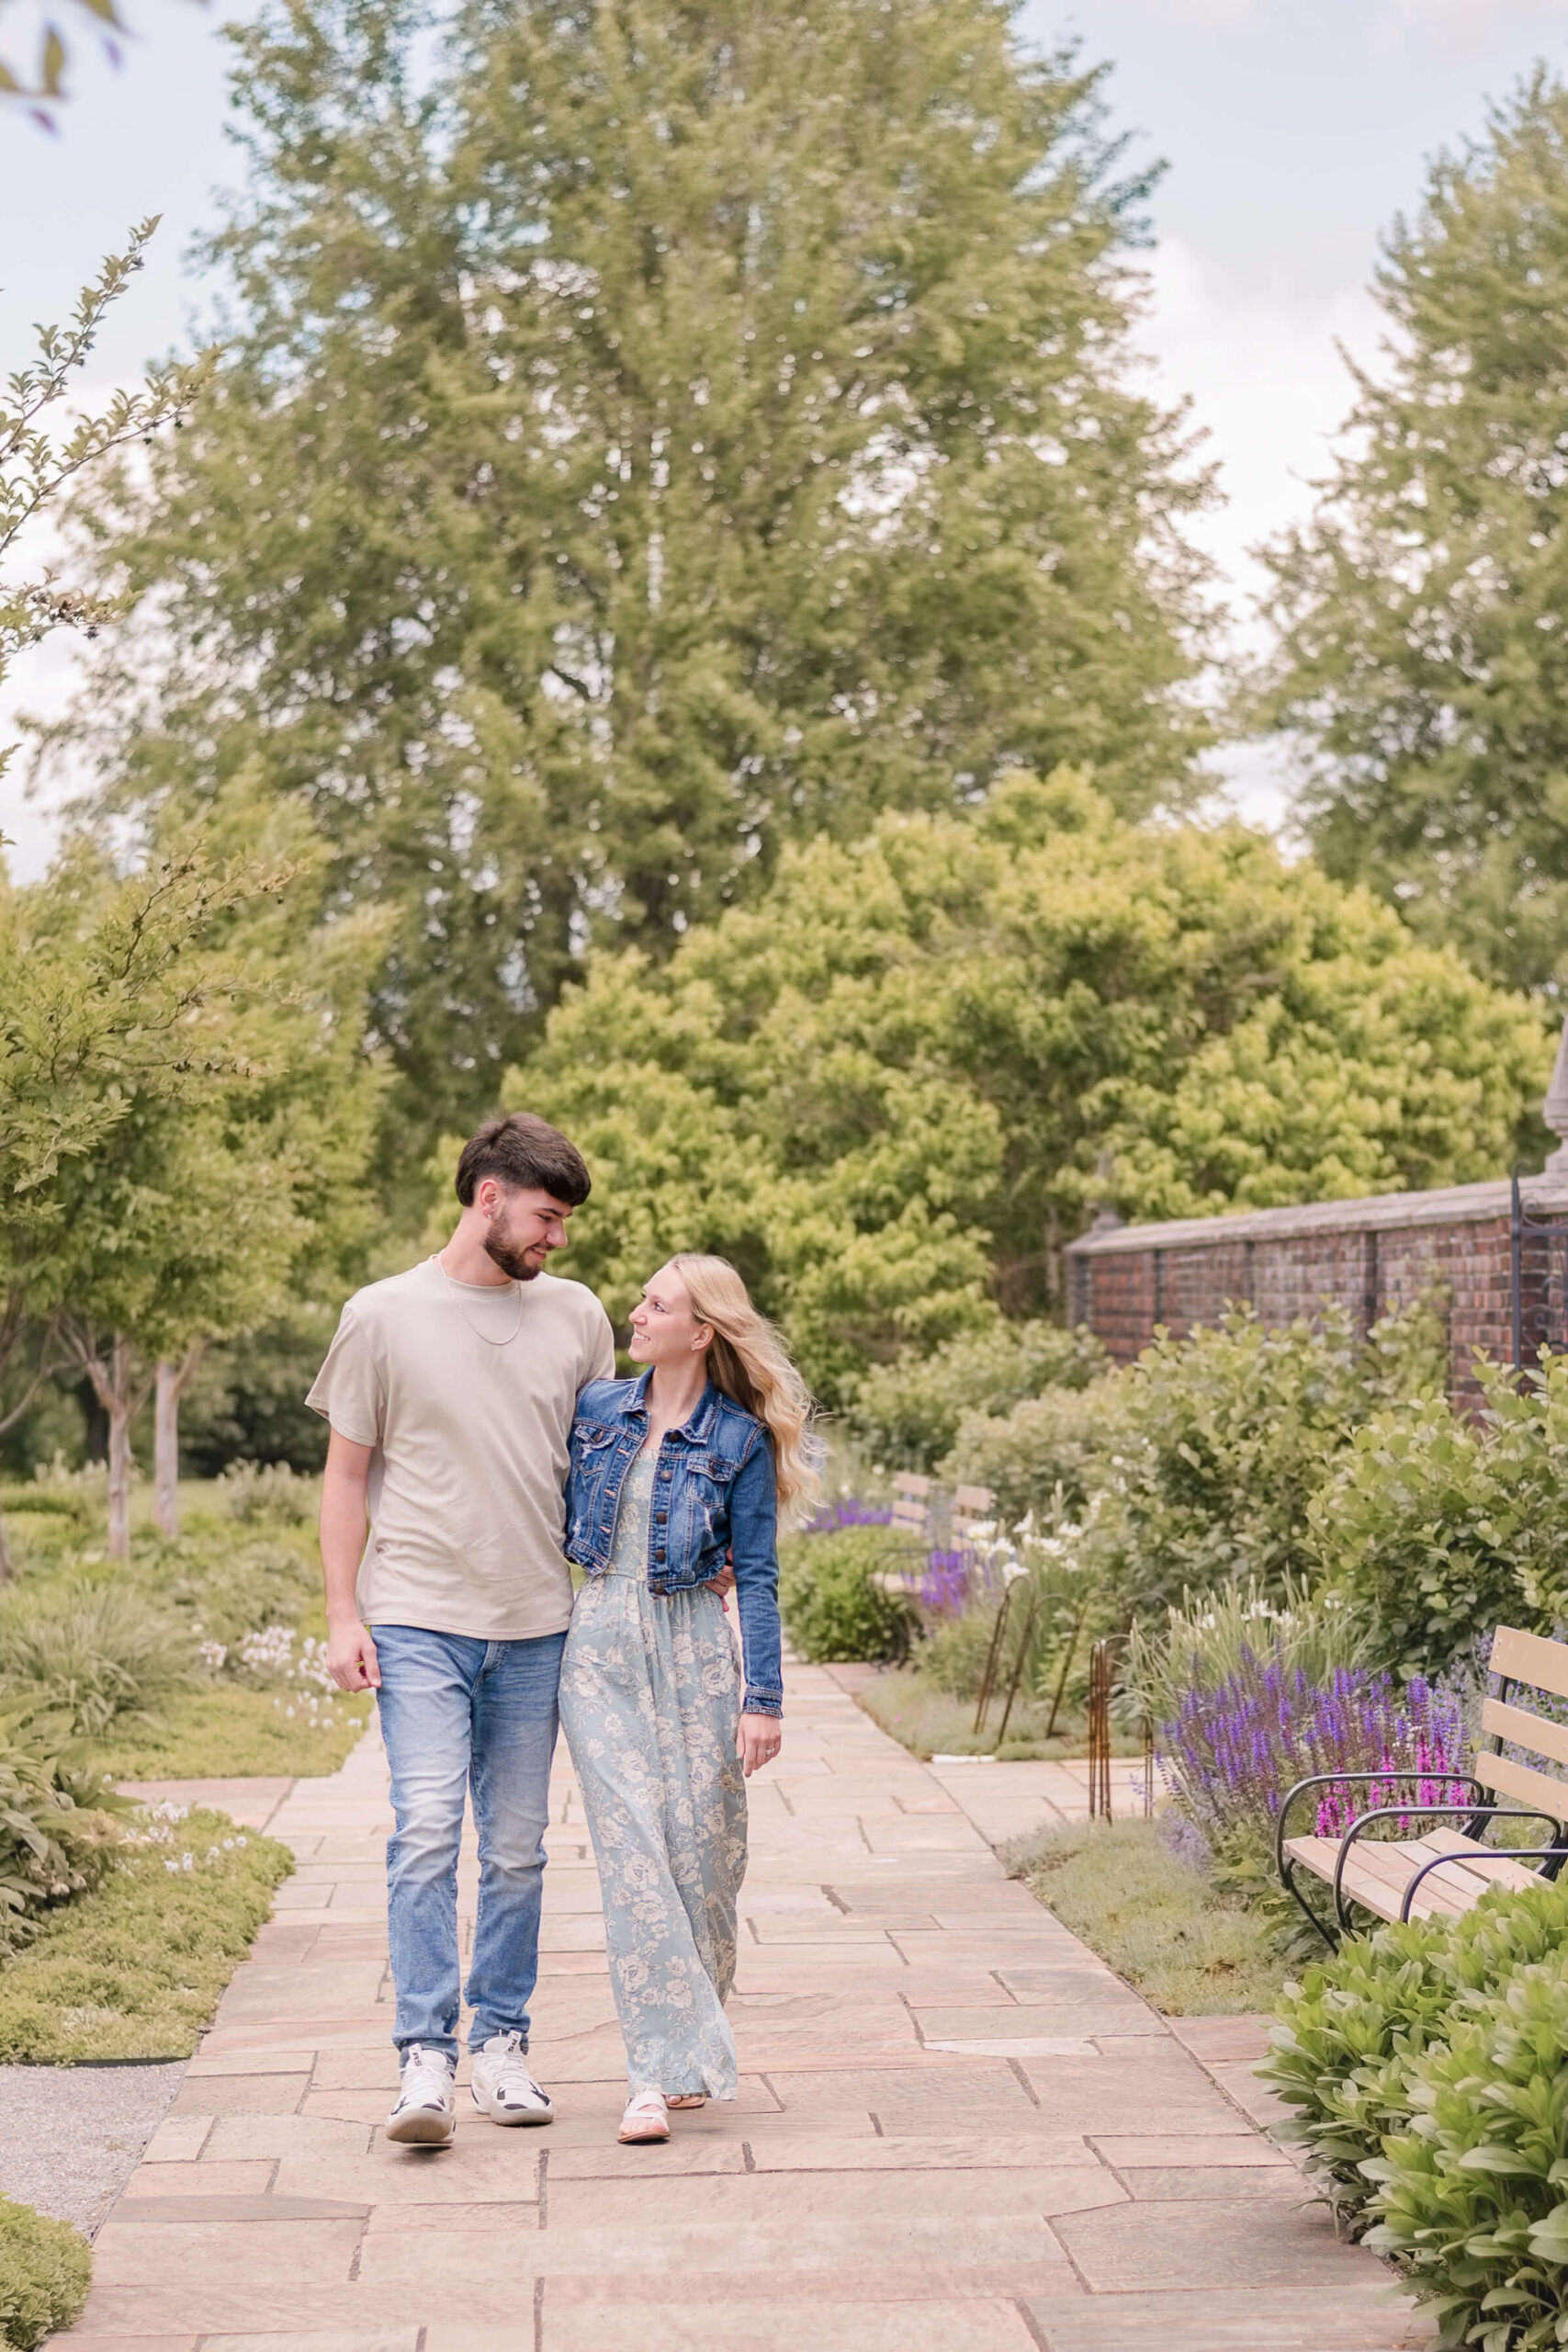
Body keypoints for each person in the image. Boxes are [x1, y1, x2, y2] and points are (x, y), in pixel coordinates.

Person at [309, 1112, 615, 2147]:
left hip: (537, 1623)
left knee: (520, 1848)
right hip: (418, 1617)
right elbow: (345, 1475)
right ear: (488, 1197)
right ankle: (424, 2055)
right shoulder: (382, 1315)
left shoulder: (578, 1317)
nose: (556, 1240)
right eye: (544, 1216)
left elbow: (608, 1469)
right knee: (429, 1827)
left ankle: (502, 2044)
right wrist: (343, 1612)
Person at [558, 1253, 817, 2145]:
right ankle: (653, 2073)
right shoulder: (596, 1411)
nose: (635, 1313)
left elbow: (759, 1575)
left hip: (696, 1650)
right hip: (599, 1649)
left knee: (703, 1859)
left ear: (701, 1331)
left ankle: (691, 2038)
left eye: (655, 1304)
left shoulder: (739, 1440)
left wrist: (764, 1699)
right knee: (634, 1853)